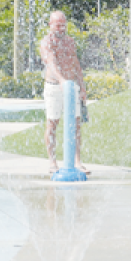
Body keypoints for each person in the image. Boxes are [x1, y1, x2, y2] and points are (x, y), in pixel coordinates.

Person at [39, 10, 87, 173]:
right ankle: (52, 161)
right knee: (52, 123)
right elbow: (51, 62)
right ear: (50, 25)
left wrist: (81, 86)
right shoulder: (47, 42)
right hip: (54, 86)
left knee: (76, 124)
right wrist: (61, 80)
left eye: (63, 25)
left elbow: (75, 64)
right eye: (58, 25)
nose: (61, 28)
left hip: (71, 86)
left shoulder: (70, 41)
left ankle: (77, 161)